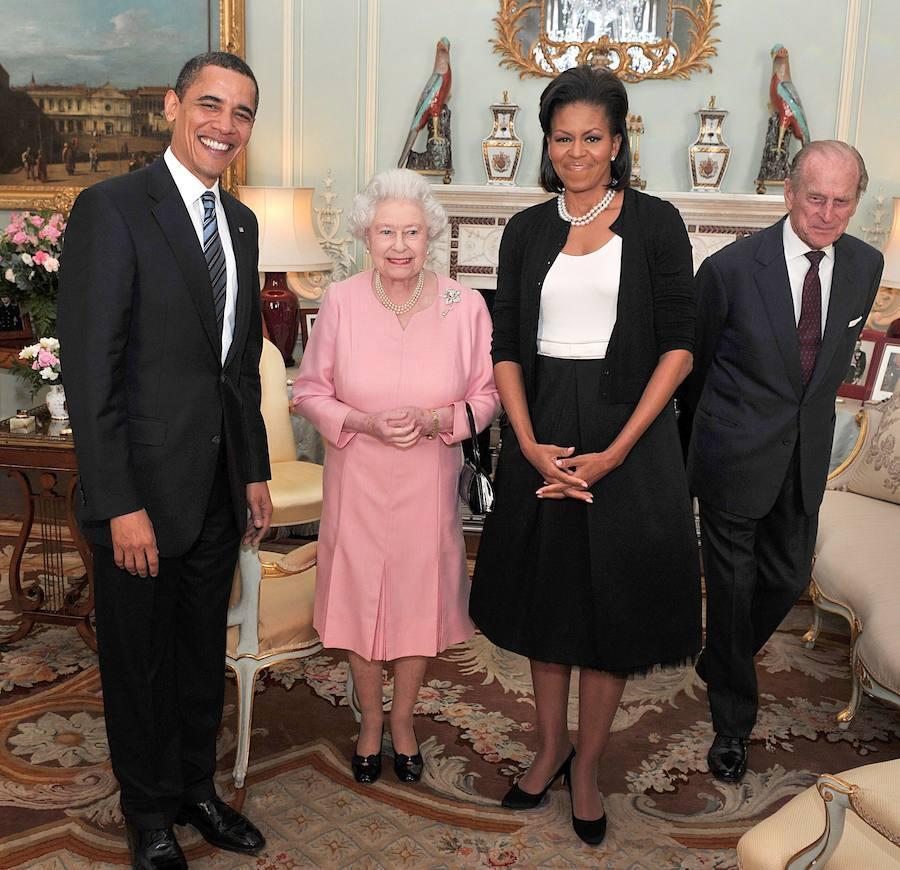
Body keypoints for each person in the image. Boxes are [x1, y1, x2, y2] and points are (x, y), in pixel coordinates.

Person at [470, 66, 701, 847]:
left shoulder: (659, 223)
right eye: (562, 137)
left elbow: (679, 347)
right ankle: (548, 750)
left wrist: (618, 450)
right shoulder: (526, 230)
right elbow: (504, 345)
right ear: (547, 142)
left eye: (591, 137)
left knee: (610, 614)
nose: (576, 151)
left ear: (618, 140)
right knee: (548, 605)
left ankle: (590, 765)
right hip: (543, 437)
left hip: (628, 441)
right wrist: (527, 442)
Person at [58, 51, 272, 869]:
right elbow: (91, 370)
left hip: (216, 489)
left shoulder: (241, 223)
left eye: (242, 113)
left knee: (195, 659)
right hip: (140, 497)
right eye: (210, 105)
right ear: (172, 106)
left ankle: (194, 789)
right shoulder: (113, 209)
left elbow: (238, 366)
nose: (225, 124)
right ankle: (147, 811)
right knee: (138, 663)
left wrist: (251, 469)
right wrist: (119, 503)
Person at [292, 168, 498, 787]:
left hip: (428, 480)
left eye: (412, 231)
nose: (400, 244)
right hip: (358, 476)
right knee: (358, 599)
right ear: (366, 237)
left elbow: (486, 398)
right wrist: (365, 422)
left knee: (417, 602)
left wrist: (439, 418)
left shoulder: (466, 305)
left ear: (430, 234)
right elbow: (308, 391)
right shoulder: (341, 301)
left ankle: (403, 721)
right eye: (387, 232)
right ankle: (369, 725)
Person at [685, 140, 883, 784]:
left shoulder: (864, 265)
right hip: (731, 454)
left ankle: (721, 657)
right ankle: (732, 725)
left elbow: (828, 366)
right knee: (736, 589)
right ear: (790, 192)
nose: (827, 213)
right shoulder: (730, 269)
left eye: (842, 201)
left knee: (788, 573)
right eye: (816, 198)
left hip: (802, 461)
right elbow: (696, 367)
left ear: (856, 202)